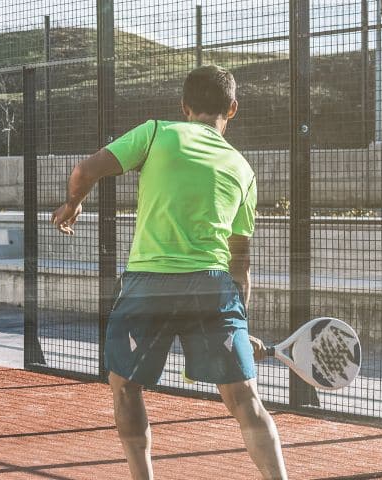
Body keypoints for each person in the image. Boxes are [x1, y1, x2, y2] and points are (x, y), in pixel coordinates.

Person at [51, 65, 287, 480]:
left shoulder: (157, 132)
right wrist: (237, 319)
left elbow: (83, 172)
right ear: (232, 109)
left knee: (125, 387)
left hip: (149, 283)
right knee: (244, 398)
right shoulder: (244, 169)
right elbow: (241, 261)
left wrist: (73, 204)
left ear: (184, 107)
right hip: (213, 287)